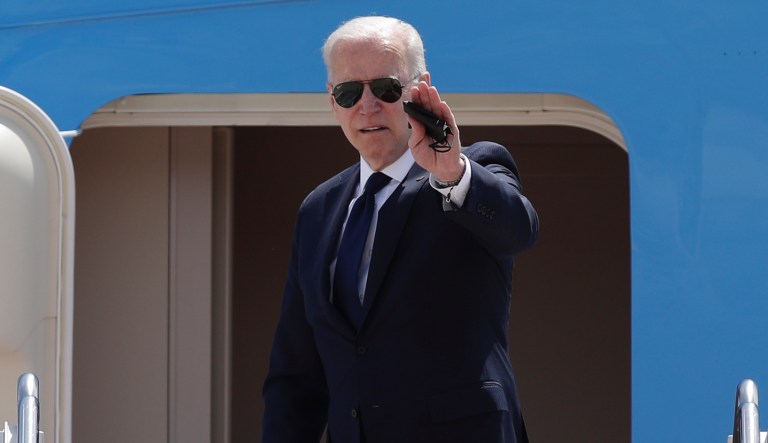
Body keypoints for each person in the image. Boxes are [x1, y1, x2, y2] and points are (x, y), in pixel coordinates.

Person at [262, 15, 538, 443]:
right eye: (350, 92)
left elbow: (518, 231)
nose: (367, 106)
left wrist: (450, 171)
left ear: (420, 90)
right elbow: (297, 374)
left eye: (387, 89)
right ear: (332, 101)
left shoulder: (472, 169)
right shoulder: (318, 209)